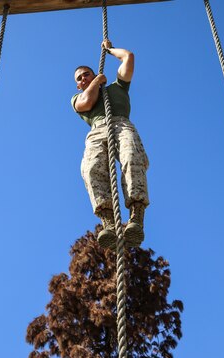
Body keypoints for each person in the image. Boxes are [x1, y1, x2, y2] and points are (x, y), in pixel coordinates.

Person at [71, 40, 149, 250]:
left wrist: (109, 50)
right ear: (78, 85)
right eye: (80, 78)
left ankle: (136, 218)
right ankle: (109, 222)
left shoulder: (118, 87)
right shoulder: (77, 97)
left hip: (121, 123)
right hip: (97, 129)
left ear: (93, 72)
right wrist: (96, 82)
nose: (83, 78)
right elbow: (86, 103)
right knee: (91, 169)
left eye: (87, 74)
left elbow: (129, 57)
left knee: (132, 157)